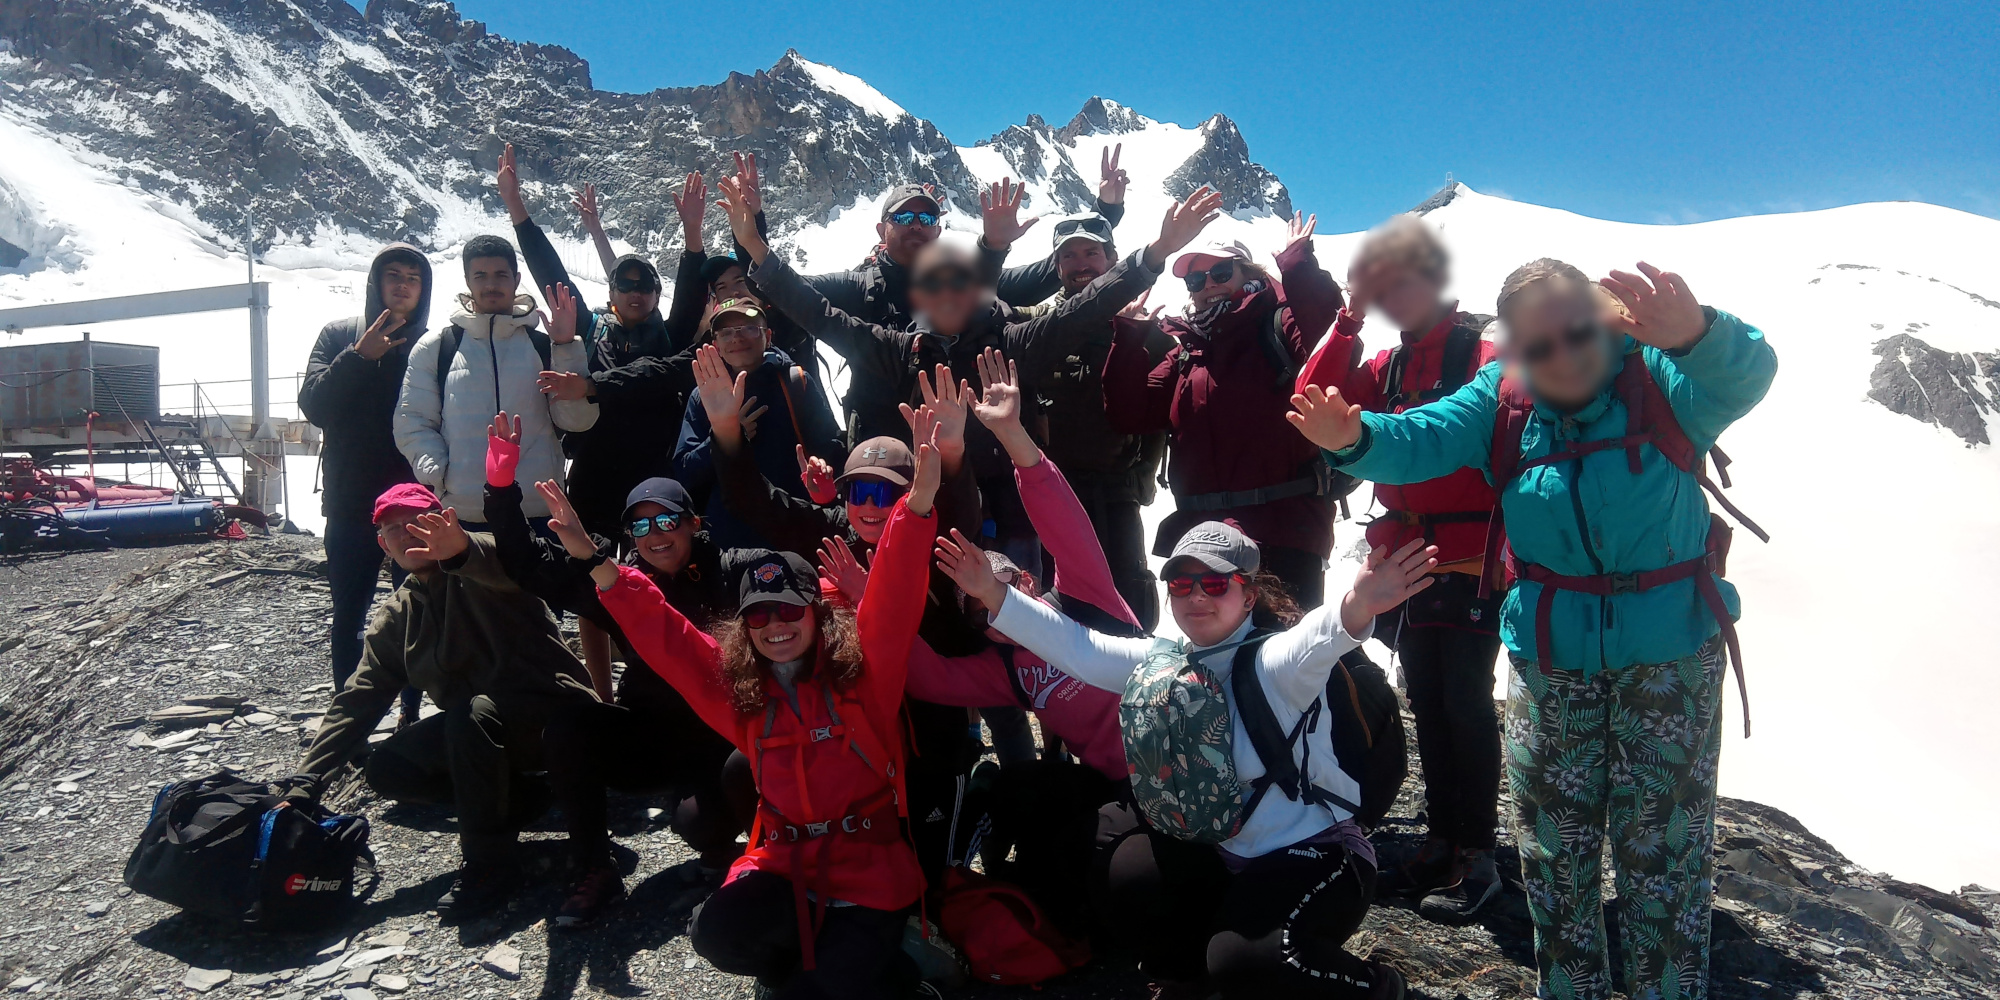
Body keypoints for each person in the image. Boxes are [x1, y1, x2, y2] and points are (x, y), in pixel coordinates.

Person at [1290, 260, 1777, 1000]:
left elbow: (1745, 374)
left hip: (1669, 654)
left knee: (1665, 858)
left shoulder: (1659, 375)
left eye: (1575, 329)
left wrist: (1700, 336)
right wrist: (1354, 438)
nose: (1562, 353)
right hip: (1551, 658)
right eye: (1536, 343)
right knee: (1556, 853)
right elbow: (1422, 437)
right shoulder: (1503, 399)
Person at [936, 518, 1437, 999]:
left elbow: (1321, 636)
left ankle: (1375, 985)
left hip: (1316, 854)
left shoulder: (1278, 662)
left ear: (1250, 595)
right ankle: (1190, 978)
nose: (1196, 595)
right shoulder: (1165, 656)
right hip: (1224, 851)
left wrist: (1358, 603)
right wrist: (995, 597)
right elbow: (1079, 648)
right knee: (1124, 871)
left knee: (1250, 961)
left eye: (1215, 584)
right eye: (1180, 584)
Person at [591, 415, 945, 999]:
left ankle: (896, 975)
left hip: (867, 875)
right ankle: (822, 965)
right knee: (716, 935)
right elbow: (668, 638)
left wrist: (921, 503)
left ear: (817, 614)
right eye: (758, 614)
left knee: (820, 991)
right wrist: (601, 565)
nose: (775, 624)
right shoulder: (744, 694)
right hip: (787, 865)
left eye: (789, 610)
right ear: (744, 628)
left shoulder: (865, 678)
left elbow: (895, 596)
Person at [721, 166, 1220, 576]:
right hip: (935, 511)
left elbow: (1083, 308)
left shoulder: (1014, 342)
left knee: (1021, 624)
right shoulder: (904, 351)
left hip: (1013, 513)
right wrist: (757, 250)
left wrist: (1156, 253)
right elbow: (817, 312)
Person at [690, 346, 990, 896]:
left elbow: (959, 513)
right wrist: (727, 430)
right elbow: (756, 503)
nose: (870, 506)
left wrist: (950, 453)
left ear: (912, 493)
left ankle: (973, 809)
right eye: (858, 491)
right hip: (846, 732)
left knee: (927, 883)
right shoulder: (831, 532)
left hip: (925, 730)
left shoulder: (936, 537)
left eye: (887, 492)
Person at [882, 349, 1135, 937]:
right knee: (1022, 790)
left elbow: (1062, 519)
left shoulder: (1085, 597)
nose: (987, 610)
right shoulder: (1008, 670)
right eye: (975, 608)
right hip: (1111, 782)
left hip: (1173, 768)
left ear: (1025, 580)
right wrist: (876, 594)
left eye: (992, 586)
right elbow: (929, 678)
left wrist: (1013, 434)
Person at [1296, 215, 1506, 915]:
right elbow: (1315, 400)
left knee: (1466, 703)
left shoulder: (1481, 351)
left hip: (1469, 555)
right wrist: (1347, 322)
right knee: (1431, 700)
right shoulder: (1390, 365)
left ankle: (1473, 853)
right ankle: (1444, 845)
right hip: (1413, 557)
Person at [284, 483, 598, 921]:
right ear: (382, 545)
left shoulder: (487, 564)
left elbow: (497, 556)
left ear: (444, 521)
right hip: (480, 733)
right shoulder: (397, 616)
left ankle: (490, 863)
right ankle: (523, 800)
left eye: (417, 521)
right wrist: (307, 781)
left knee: (470, 716)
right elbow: (358, 699)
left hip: (556, 719)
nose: (407, 534)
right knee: (390, 768)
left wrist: (463, 547)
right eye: (393, 529)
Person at [480, 414, 743, 926]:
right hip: (651, 737)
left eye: (667, 520)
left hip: (724, 740)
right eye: (640, 526)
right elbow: (527, 564)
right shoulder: (618, 584)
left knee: (702, 826)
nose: (655, 535)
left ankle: (747, 857)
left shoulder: (733, 571)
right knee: (568, 728)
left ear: (694, 522)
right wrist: (499, 489)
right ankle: (593, 867)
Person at [1102, 213, 1353, 611]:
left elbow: (1330, 340)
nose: (1208, 286)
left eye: (1221, 272)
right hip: (1204, 538)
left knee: (1289, 658)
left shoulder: (1280, 323)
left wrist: (1298, 264)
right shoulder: (1186, 348)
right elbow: (1129, 414)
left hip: (1283, 532)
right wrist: (1128, 342)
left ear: (1247, 272)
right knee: (1219, 658)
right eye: (1196, 280)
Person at [297, 243, 430, 720]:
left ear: (423, 289)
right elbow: (313, 405)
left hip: (415, 505)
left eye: (412, 278)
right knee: (350, 612)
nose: (401, 285)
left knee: (417, 610)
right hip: (352, 503)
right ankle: (349, 717)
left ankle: (411, 713)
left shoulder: (433, 345)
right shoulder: (338, 336)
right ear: (376, 283)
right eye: (392, 275)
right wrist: (358, 356)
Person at [393, 233, 597, 527]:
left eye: (501, 274)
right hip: (462, 513)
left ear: (516, 279)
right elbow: (412, 421)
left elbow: (578, 421)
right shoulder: (437, 347)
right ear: (467, 280)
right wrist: (441, 474)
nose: (491, 284)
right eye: (481, 275)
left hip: (538, 512)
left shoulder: (545, 346)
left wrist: (566, 348)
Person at [673, 297, 844, 549]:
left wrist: (822, 467)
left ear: (768, 336)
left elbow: (832, 448)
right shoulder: (704, 395)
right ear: (716, 344)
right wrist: (724, 434)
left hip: (793, 526)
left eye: (749, 329)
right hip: (729, 537)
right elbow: (685, 472)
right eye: (726, 332)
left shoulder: (796, 382)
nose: (736, 338)